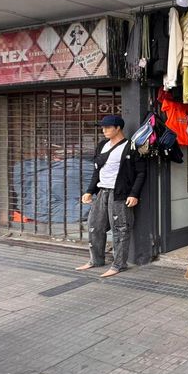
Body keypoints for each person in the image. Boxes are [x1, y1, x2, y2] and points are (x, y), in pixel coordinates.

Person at [76, 115, 147, 277]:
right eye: (102, 127)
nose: (104, 130)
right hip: (102, 191)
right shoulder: (102, 145)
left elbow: (141, 173)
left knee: (120, 228)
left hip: (120, 193)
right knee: (94, 226)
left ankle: (119, 264)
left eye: (107, 127)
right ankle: (96, 260)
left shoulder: (131, 147)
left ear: (118, 128)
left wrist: (134, 194)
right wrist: (89, 191)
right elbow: (97, 171)